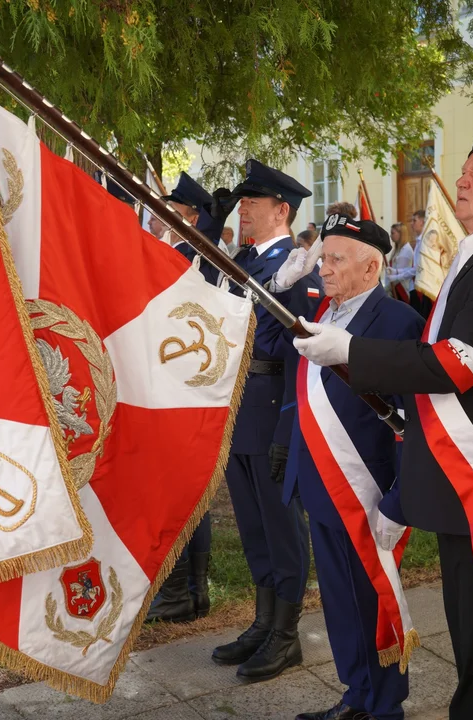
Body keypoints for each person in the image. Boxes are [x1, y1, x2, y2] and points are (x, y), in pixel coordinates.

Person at [292, 132, 473, 720]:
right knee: (471, 643)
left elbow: (460, 364)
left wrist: (351, 352)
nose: (460, 181)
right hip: (457, 476)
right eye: (462, 171)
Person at [257, 215, 423, 720]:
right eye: (322, 258)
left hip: (367, 491)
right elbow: (267, 345)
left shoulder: (399, 324)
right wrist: (279, 285)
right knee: (341, 603)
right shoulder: (323, 311)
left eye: (335, 259)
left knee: (372, 601)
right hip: (319, 482)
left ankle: (384, 706)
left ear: (372, 266)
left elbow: (412, 423)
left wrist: (398, 502)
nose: (323, 269)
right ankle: (356, 695)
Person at [212, 159, 320, 682]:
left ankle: (286, 634)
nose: (243, 208)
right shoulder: (242, 261)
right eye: (242, 201)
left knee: (282, 530)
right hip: (238, 409)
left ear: (283, 210)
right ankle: (262, 621)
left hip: (271, 410)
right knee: (255, 526)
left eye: (253, 201)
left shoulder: (298, 268)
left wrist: (286, 430)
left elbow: (300, 357)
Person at [146, 171, 220, 623]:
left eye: (170, 211)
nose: (159, 217)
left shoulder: (195, 258)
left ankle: (185, 591)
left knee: (182, 491)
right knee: (181, 491)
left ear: (191, 216)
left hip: (181, 388)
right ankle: (187, 591)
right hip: (168, 382)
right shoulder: (176, 253)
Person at [406, 210, 433, 318]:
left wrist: (397, 276)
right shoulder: (419, 241)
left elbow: (419, 267)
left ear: (422, 222)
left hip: (422, 288)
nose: (412, 224)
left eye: (414, 220)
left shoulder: (425, 241)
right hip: (415, 287)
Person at [385, 223, 414, 303]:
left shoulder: (406, 250)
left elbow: (400, 272)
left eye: (393, 233)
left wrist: (385, 289)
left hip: (400, 289)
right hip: (393, 288)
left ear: (400, 234)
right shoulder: (396, 249)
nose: (391, 236)